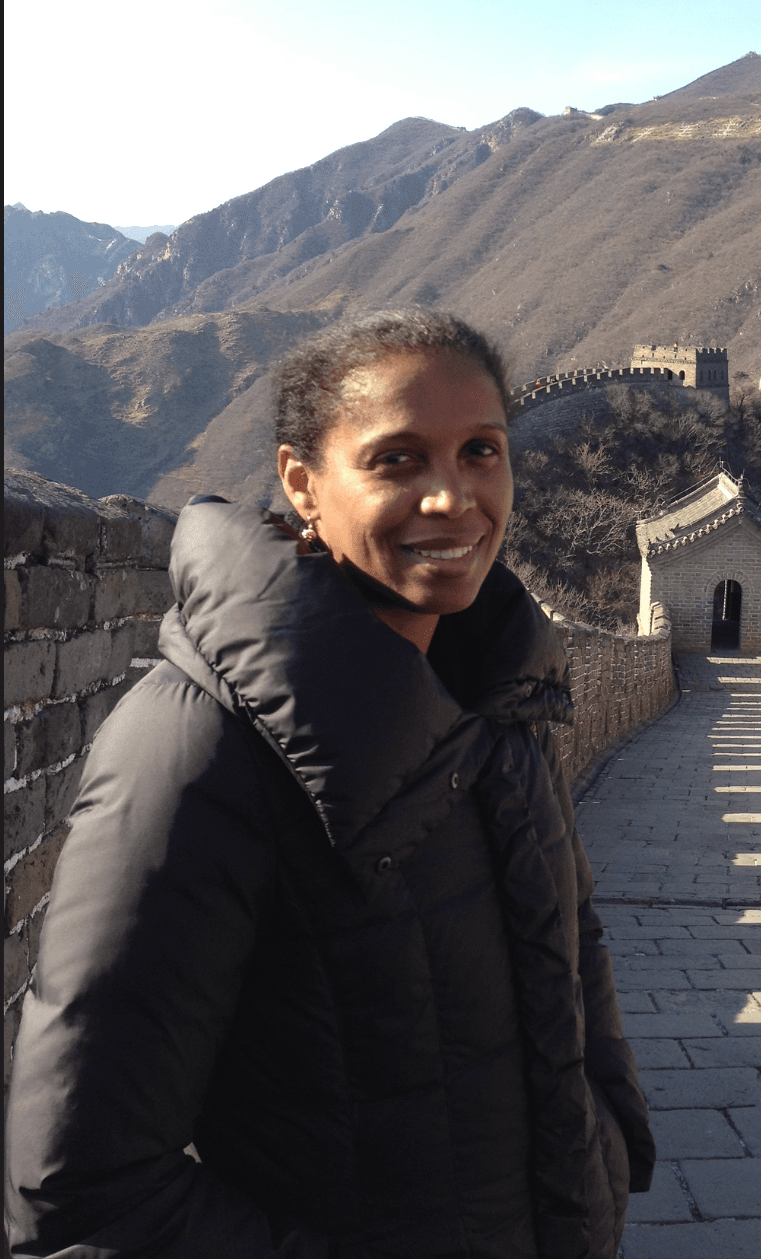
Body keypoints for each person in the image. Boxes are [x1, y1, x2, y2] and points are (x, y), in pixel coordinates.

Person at [5, 309, 654, 1258]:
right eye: (397, 461)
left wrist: (608, 1128)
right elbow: (81, 1195)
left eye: (482, 451)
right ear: (302, 485)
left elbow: (569, 926)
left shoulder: (501, 691)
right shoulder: (197, 751)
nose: (453, 498)